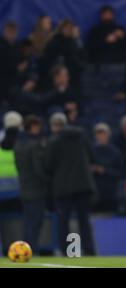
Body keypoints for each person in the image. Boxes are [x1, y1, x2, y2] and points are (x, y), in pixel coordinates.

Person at [43, 113, 96, 255]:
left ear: (54, 126)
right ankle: (89, 250)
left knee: (63, 221)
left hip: (63, 186)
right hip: (84, 184)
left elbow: (47, 165)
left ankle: (67, 251)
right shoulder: (82, 136)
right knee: (84, 219)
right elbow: (92, 157)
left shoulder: (53, 141)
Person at [13, 115, 49, 254]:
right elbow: (38, 169)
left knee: (28, 222)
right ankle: (31, 250)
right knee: (35, 222)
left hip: (24, 188)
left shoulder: (18, 145)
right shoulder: (35, 145)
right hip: (36, 189)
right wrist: (48, 179)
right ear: (33, 127)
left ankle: (24, 249)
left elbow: (19, 167)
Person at [91, 123, 123, 213]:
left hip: (111, 193)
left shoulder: (115, 152)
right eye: (98, 133)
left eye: (103, 133)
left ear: (108, 135)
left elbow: (120, 173)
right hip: (94, 193)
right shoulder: (89, 151)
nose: (101, 136)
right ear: (95, 136)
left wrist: (105, 171)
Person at [0, 22, 20, 105]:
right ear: (5, 31)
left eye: (13, 32)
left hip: (13, 80)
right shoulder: (2, 46)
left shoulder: (17, 45)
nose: (12, 34)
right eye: (9, 32)